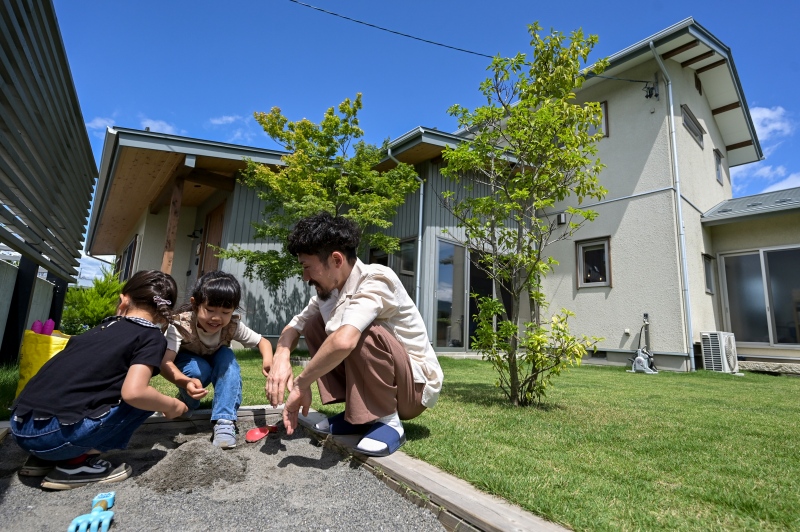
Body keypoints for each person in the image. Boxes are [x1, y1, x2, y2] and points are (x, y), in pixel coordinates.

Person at [268, 212, 444, 457]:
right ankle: (360, 416)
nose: (305, 277)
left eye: (308, 267)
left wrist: (301, 383)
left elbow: (344, 341)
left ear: (336, 260)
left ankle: (389, 421)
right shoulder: (330, 291)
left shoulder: (377, 279)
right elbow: (294, 327)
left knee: (360, 331)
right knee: (314, 326)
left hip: (412, 390)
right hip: (392, 382)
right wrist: (281, 356)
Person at [10, 269, 188, 490]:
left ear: (123, 300)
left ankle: (43, 459)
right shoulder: (150, 336)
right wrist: (172, 404)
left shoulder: (99, 330)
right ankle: (74, 464)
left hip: (20, 427)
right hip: (53, 438)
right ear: (164, 314)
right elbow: (135, 393)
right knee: (144, 402)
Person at [161, 271, 274, 449]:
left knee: (228, 359)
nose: (217, 318)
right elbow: (165, 363)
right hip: (188, 363)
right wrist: (185, 382)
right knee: (199, 372)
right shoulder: (180, 325)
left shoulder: (231, 325)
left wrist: (268, 360)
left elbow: (263, 342)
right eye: (210, 310)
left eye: (225, 312)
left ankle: (224, 421)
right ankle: (187, 402)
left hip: (216, 357)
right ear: (195, 304)